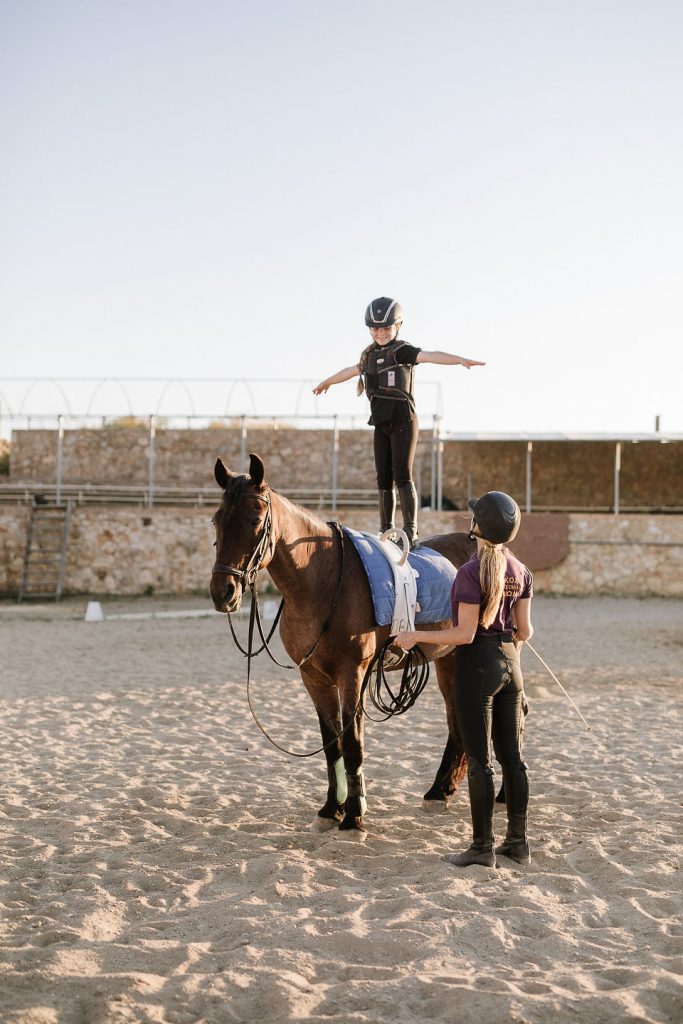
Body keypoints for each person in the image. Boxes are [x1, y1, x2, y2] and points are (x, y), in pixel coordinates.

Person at [393, 490, 533, 868]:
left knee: (479, 763)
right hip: (511, 668)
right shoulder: (521, 571)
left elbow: (464, 634)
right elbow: (526, 632)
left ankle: (482, 848)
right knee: (514, 761)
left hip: (478, 670)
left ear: (477, 527)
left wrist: (416, 636)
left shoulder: (469, 572)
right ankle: (517, 843)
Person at [312, 297, 485, 548]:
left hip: (404, 421)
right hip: (381, 425)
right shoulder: (369, 356)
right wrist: (327, 381)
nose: (380, 333)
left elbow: (431, 355)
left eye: (386, 328)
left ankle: (411, 530)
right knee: (383, 478)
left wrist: (459, 359)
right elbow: (350, 371)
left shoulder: (402, 351)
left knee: (402, 475)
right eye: (375, 328)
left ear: (398, 326)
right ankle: (386, 529)